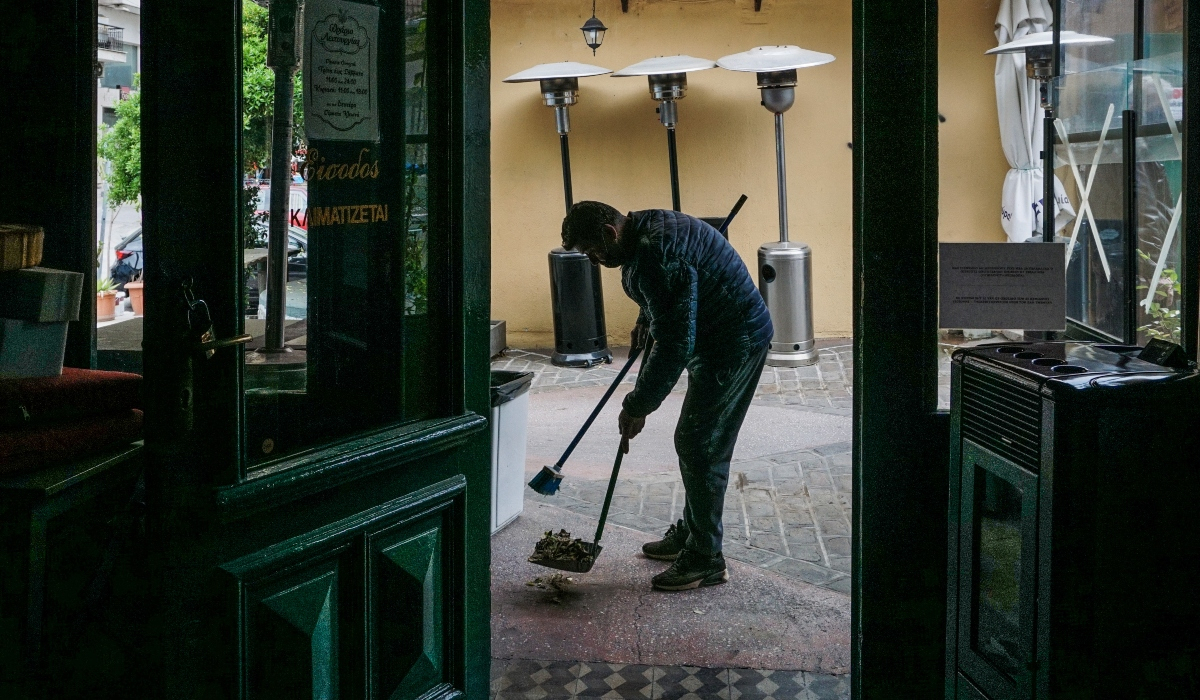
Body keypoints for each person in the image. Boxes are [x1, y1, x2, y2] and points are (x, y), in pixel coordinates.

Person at [560, 201, 773, 591]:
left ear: (610, 234)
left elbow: (675, 343)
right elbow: (673, 302)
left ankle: (706, 558)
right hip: (712, 335)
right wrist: (648, 315)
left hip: (735, 340)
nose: (593, 262)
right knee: (696, 442)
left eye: (592, 252)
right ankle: (694, 535)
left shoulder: (656, 255)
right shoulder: (645, 227)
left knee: (699, 443)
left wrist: (637, 406)